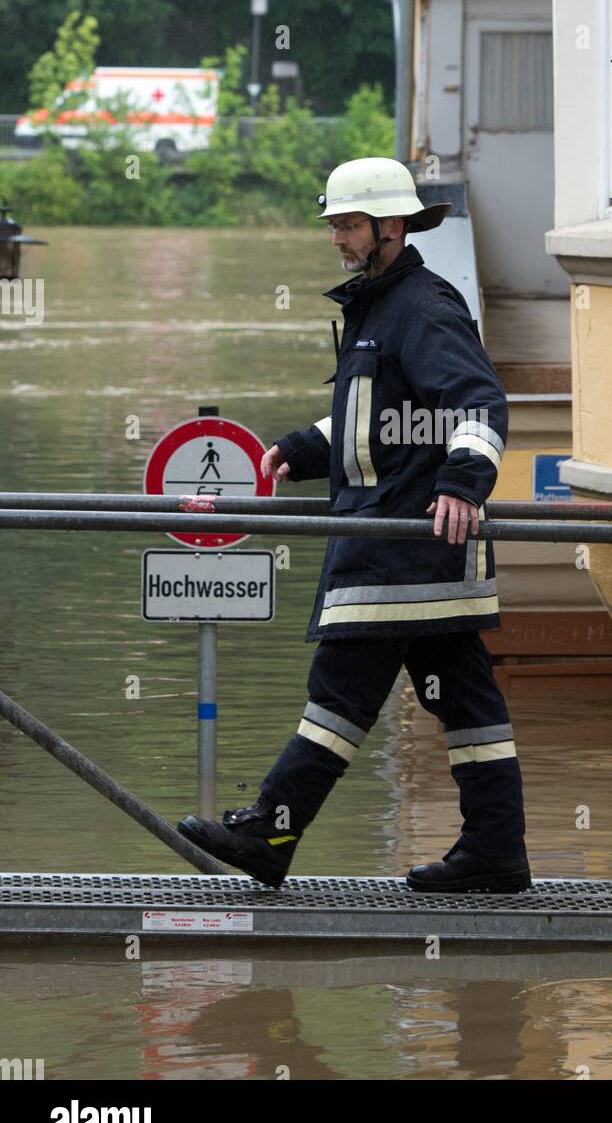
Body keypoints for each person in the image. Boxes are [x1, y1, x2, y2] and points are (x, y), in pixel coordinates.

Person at [179, 157, 530, 893]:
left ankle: (271, 832)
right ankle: (495, 851)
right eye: (333, 224)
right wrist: (299, 449)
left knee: (339, 693)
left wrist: (466, 483)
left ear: (390, 228)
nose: (336, 238)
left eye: (346, 225)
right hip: (409, 549)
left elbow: (477, 403)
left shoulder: (423, 308)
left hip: (402, 547)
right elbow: (374, 417)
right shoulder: (380, 308)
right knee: (465, 705)